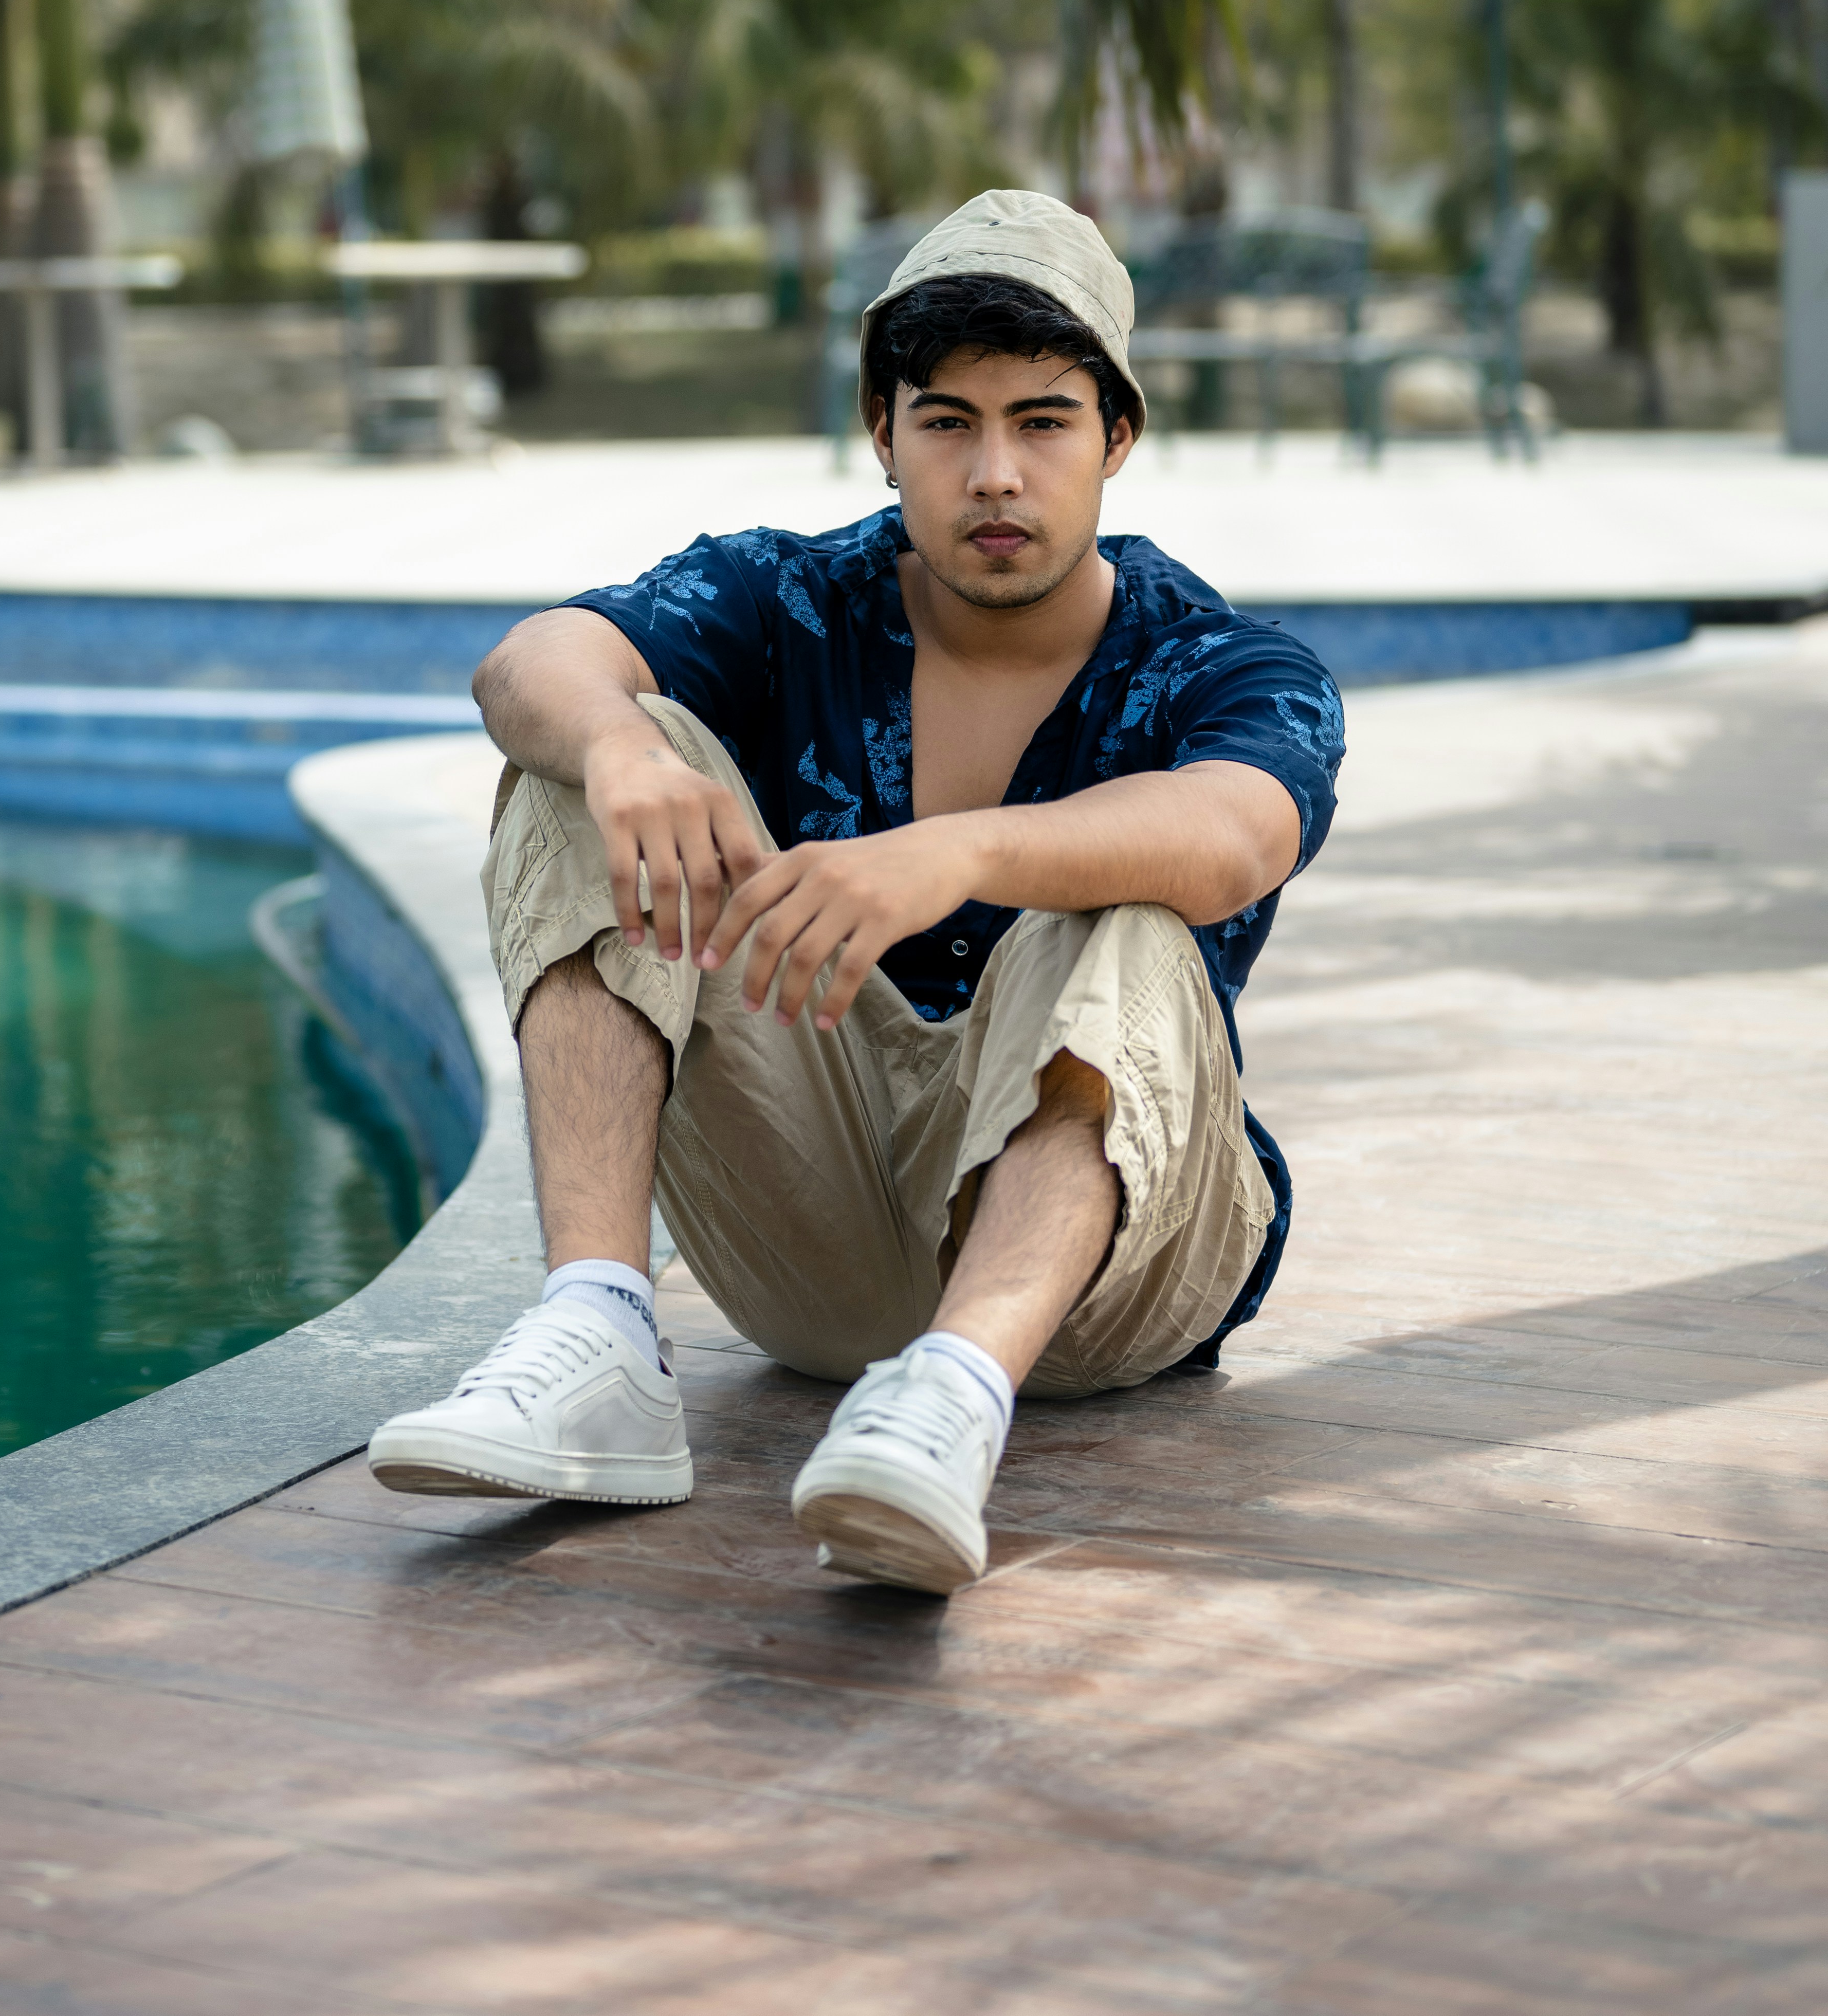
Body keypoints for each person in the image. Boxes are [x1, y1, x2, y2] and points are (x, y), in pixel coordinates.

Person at [367, 189, 1345, 1593]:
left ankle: (953, 1403)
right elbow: (527, 663)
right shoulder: (788, 605)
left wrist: (960, 852)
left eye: (1043, 422)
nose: (995, 474)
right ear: (882, 435)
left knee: (1119, 892)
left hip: (1108, 1286)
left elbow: (1234, 835)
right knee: (592, 761)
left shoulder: (1224, 662)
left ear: (1118, 437)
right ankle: (595, 1336)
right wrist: (620, 749)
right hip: (815, 1256)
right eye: (947, 423)